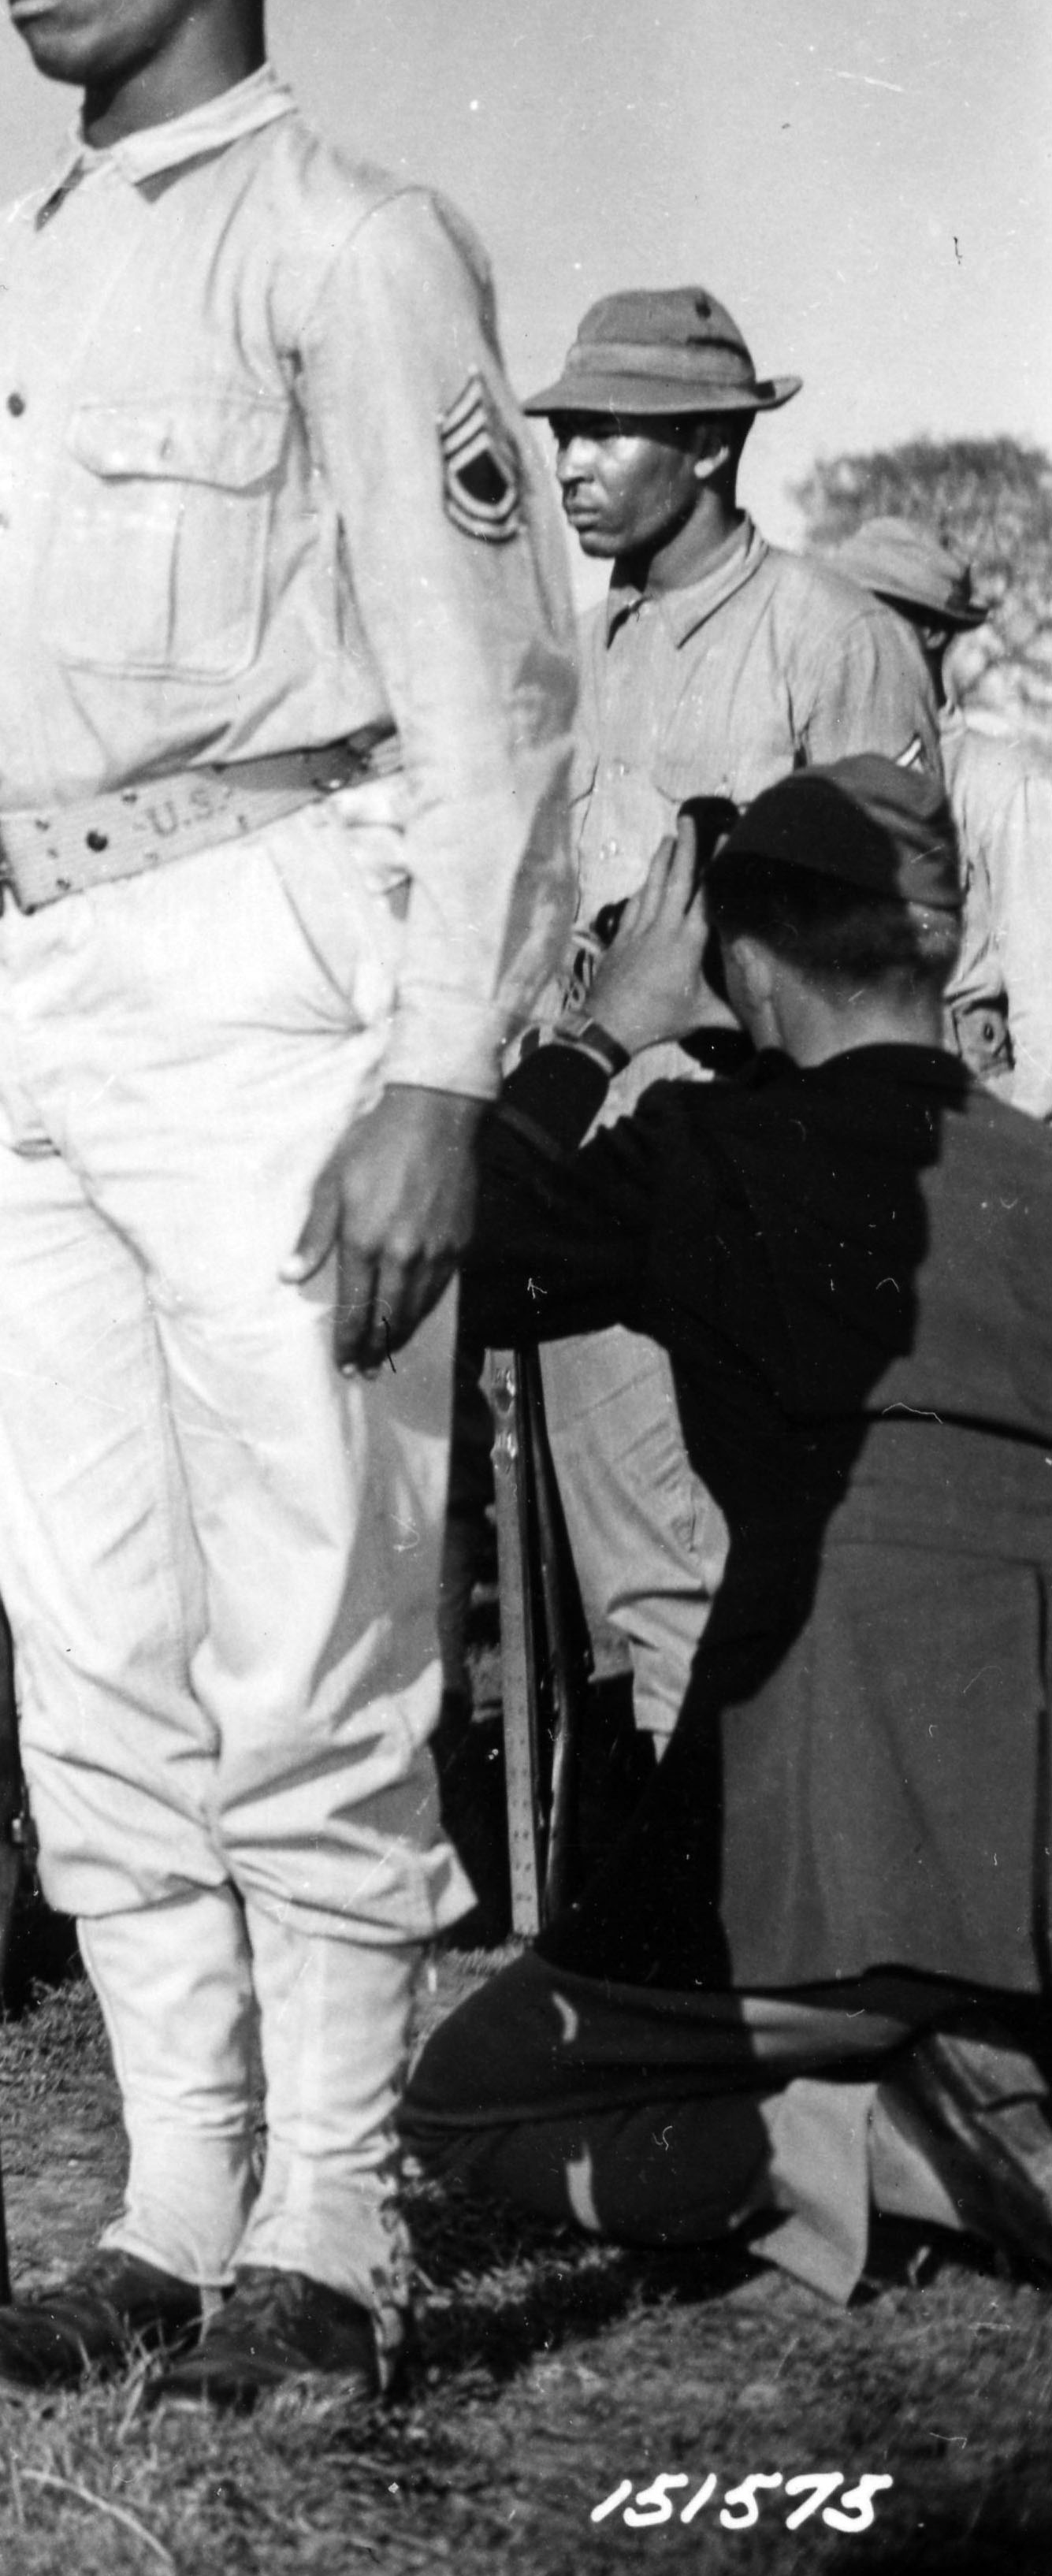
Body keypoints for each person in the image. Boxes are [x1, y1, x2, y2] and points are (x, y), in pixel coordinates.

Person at [0, 0, 576, 2410]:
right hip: (9, 983)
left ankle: (337, 2219)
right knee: (98, 1616)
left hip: (261, 957)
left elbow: (495, 689)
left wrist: (438, 1064)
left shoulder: (350, 239)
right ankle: (168, 2202)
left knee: (309, 1597)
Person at [403, 760, 1052, 2299]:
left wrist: (601, 1031)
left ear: (741, 966)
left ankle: (875, 2146)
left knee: (459, 2102)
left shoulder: (703, 1156)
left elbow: (447, 1253)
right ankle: (988, 2070)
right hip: (1026, 1845)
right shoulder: (1037, 1170)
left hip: (801, 1837)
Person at [522, 290, 944, 1749]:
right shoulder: (576, 655)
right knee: (638, 1573)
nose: (567, 461)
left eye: (602, 429)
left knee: (779, 1558)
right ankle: (699, 1922)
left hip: (773, 1165)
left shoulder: (827, 636)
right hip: (606, 1150)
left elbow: (906, 933)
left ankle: (778, 1935)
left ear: (709, 444)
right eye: (560, 431)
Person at [831, 515, 1047, 1121]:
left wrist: (1021, 1144)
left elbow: (1044, 991)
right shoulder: (816, 772)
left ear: (927, 631)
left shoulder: (995, 778)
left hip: (964, 1097)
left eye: (863, 613)